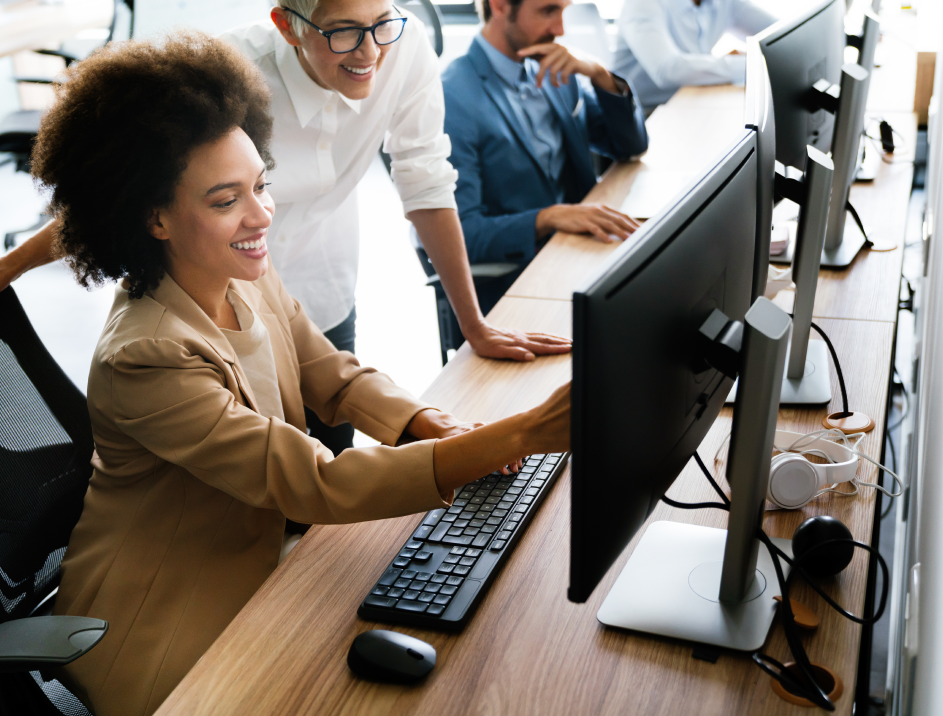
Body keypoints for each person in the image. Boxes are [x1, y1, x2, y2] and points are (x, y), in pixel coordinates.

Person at [36, 34, 570, 716]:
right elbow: (314, 482)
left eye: (261, 185)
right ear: (155, 217)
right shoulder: (147, 356)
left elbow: (333, 376)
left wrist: (424, 424)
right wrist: (521, 433)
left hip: (262, 561)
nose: (263, 214)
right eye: (226, 200)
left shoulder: (241, 277)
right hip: (165, 620)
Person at [0, 0, 571, 457]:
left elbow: (426, 181)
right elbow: (123, 198)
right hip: (212, 307)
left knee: (329, 454)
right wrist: (12, 266)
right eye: (343, 31)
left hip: (314, 294)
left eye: (381, 24)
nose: (370, 50)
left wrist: (473, 326)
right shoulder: (221, 80)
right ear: (288, 25)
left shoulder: (404, 46)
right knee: (262, 492)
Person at [441, 0, 648, 315]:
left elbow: (629, 146)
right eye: (548, 11)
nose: (560, 30)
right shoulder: (453, 97)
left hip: (581, 252)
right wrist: (547, 217)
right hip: (520, 278)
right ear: (499, 6)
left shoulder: (554, 66)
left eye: (564, 10)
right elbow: (461, 234)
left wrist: (599, 74)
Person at [614, 0, 776, 113]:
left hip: (690, 102)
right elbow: (667, 70)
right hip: (645, 114)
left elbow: (779, 32)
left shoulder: (724, 2)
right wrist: (750, 65)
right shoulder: (642, 3)